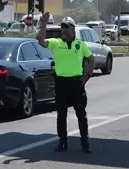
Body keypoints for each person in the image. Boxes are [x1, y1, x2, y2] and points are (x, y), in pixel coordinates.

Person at [36, 13, 95, 153]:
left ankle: (85, 143)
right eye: (63, 27)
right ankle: (62, 142)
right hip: (61, 83)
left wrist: (88, 75)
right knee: (61, 115)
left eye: (67, 27)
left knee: (81, 115)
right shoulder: (57, 43)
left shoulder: (80, 45)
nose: (65, 30)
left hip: (76, 84)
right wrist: (44, 24)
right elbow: (41, 41)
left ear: (73, 29)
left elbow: (91, 59)